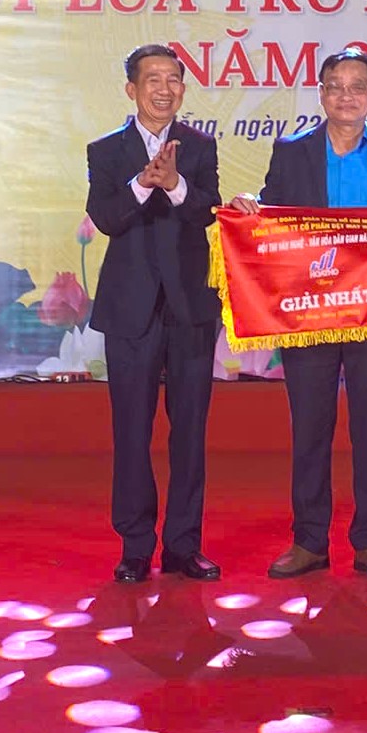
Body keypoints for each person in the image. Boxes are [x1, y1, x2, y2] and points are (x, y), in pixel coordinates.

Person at [234, 48, 367, 582]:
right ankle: (309, 541)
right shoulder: (291, 152)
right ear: (321, 93)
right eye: (335, 86)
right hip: (310, 313)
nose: (346, 96)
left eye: (357, 86)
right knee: (310, 428)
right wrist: (251, 206)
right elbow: (272, 221)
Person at [84, 44, 224, 584]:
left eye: (173, 80)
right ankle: (135, 547)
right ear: (132, 89)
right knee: (132, 432)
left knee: (190, 432)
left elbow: (207, 211)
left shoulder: (199, 146)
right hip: (130, 309)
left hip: (189, 308)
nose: (164, 90)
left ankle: (184, 546)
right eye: (152, 80)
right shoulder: (106, 151)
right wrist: (144, 183)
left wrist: (176, 184)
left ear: (183, 89)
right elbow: (106, 217)